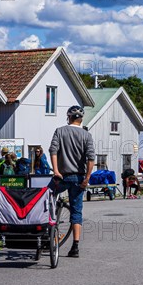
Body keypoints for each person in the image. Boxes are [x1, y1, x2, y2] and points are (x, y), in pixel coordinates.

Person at [49, 105, 95, 258]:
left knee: (46, 198)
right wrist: (87, 178)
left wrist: (56, 170)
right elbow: (91, 159)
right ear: (81, 119)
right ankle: (75, 247)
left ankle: (47, 233)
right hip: (78, 177)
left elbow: (53, 150)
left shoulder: (60, 131)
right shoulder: (86, 135)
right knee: (76, 211)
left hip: (61, 176)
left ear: (68, 117)